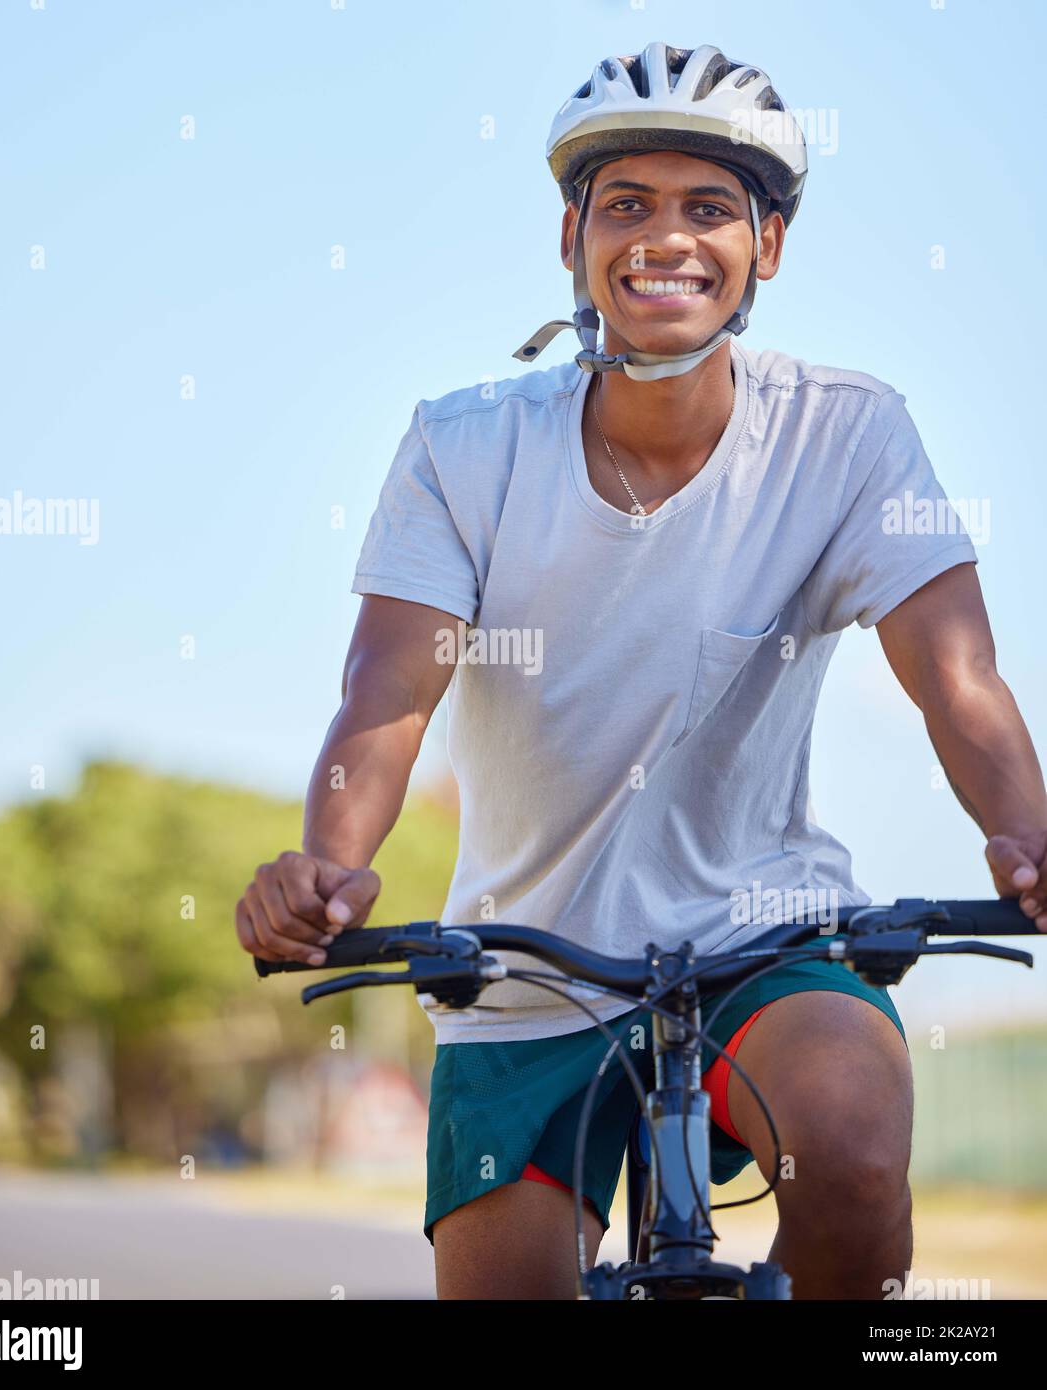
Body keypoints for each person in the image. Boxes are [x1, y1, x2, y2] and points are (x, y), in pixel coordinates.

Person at [235, 42, 1047, 1299]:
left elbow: (960, 680)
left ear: (766, 246)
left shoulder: (850, 434)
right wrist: (330, 863)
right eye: (628, 205)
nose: (665, 237)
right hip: (522, 970)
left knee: (850, 1145)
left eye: (709, 207)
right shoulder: (464, 449)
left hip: (766, 932)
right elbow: (388, 695)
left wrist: (1027, 838)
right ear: (573, 236)